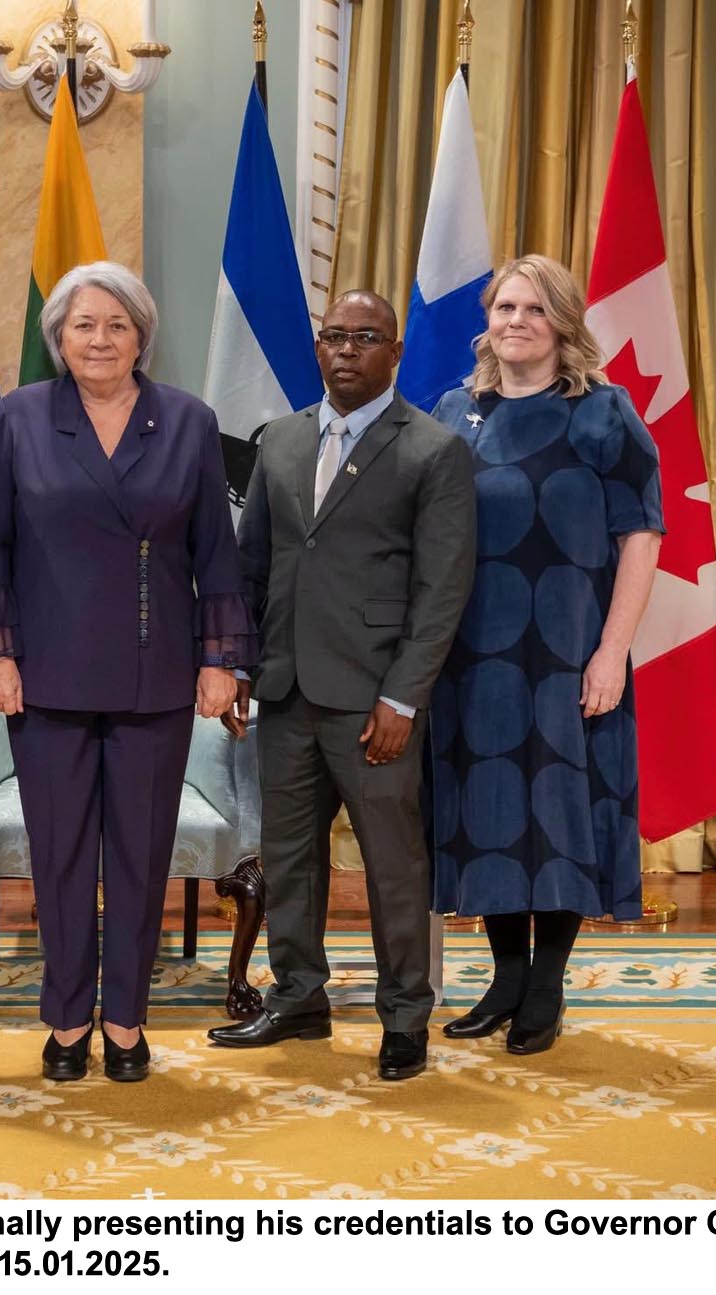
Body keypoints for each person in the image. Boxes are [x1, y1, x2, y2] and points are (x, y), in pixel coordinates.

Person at [0, 261, 250, 1083]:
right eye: (84, 324)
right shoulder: (20, 416)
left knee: (140, 857)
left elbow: (216, 550)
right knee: (61, 856)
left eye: (118, 324)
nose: (101, 339)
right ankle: (66, 1018)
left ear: (142, 335)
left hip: (158, 672)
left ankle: (125, 1019)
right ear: (59, 335)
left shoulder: (186, 420)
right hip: (44, 675)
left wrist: (221, 658)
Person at [209, 289, 476, 1082]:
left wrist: (403, 696)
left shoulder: (432, 449)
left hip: (373, 700)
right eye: (334, 336)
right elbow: (252, 564)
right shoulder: (284, 439)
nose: (346, 350)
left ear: (395, 352)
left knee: (392, 864)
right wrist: (242, 664)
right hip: (287, 688)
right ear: (318, 347)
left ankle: (405, 1015)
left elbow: (442, 589)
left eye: (365, 337)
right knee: (289, 858)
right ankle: (298, 996)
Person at [428, 254, 663, 1055]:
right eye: (505, 307)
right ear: (487, 320)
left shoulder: (604, 413)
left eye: (534, 308)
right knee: (492, 808)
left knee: (561, 812)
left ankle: (546, 985)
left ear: (563, 322)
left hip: (569, 653)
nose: (516, 321)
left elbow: (642, 536)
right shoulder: (455, 410)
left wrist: (613, 651)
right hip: (473, 657)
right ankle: (505, 979)